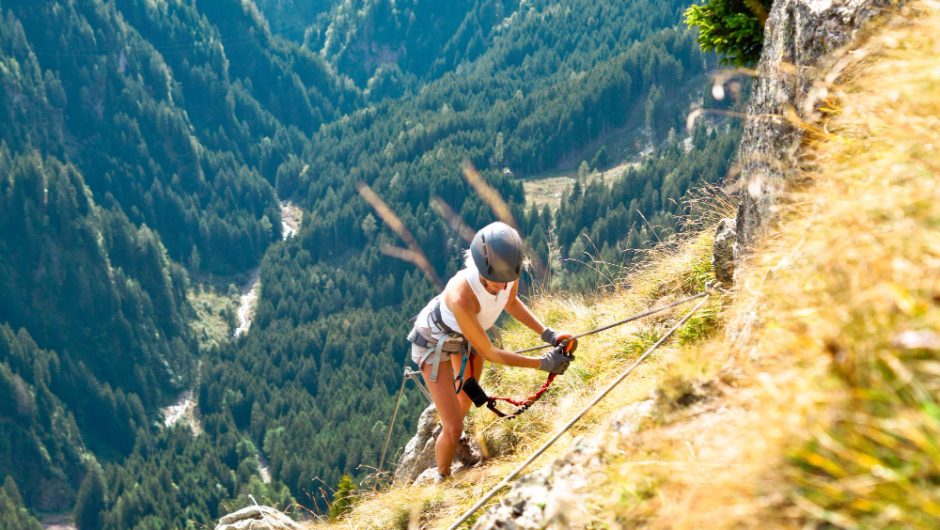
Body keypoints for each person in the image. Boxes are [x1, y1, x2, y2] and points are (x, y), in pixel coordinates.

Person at [407, 221, 577, 479]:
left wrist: (549, 335)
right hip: (433, 343)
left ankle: (457, 438)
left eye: (505, 280)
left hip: (466, 337)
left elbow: (511, 302)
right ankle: (442, 478)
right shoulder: (461, 295)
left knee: (464, 405)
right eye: (492, 282)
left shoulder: (506, 271)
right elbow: (490, 353)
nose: (499, 286)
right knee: (452, 425)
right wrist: (543, 363)